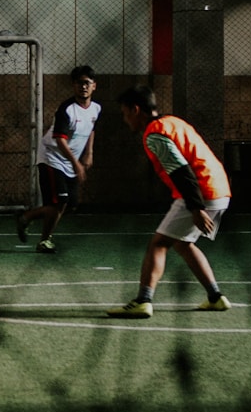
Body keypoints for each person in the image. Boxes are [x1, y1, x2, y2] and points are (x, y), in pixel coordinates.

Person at [106, 85, 232, 318]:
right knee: (182, 243)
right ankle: (216, 297)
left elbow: (181, 172)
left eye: (125, 113)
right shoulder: (174, 122)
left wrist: (196, 208)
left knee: (159, 243)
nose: (125, 120)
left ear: (136, 110)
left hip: (200, 192)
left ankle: (143, 300)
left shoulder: (156, 133)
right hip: (219, 189)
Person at [16, 65, 99, 253]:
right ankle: (45, 240)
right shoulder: (67, 109)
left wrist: (89, 153)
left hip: (70, 162)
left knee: (70, 205)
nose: (83, 87)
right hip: (51, 157)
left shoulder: (96, 108)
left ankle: (25, 217)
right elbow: (59, 139)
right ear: (73, 86)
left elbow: (91, 128)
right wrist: (76, 162)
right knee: (58, 201)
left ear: (94, 85)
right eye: (79, 83)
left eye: (87, 83)